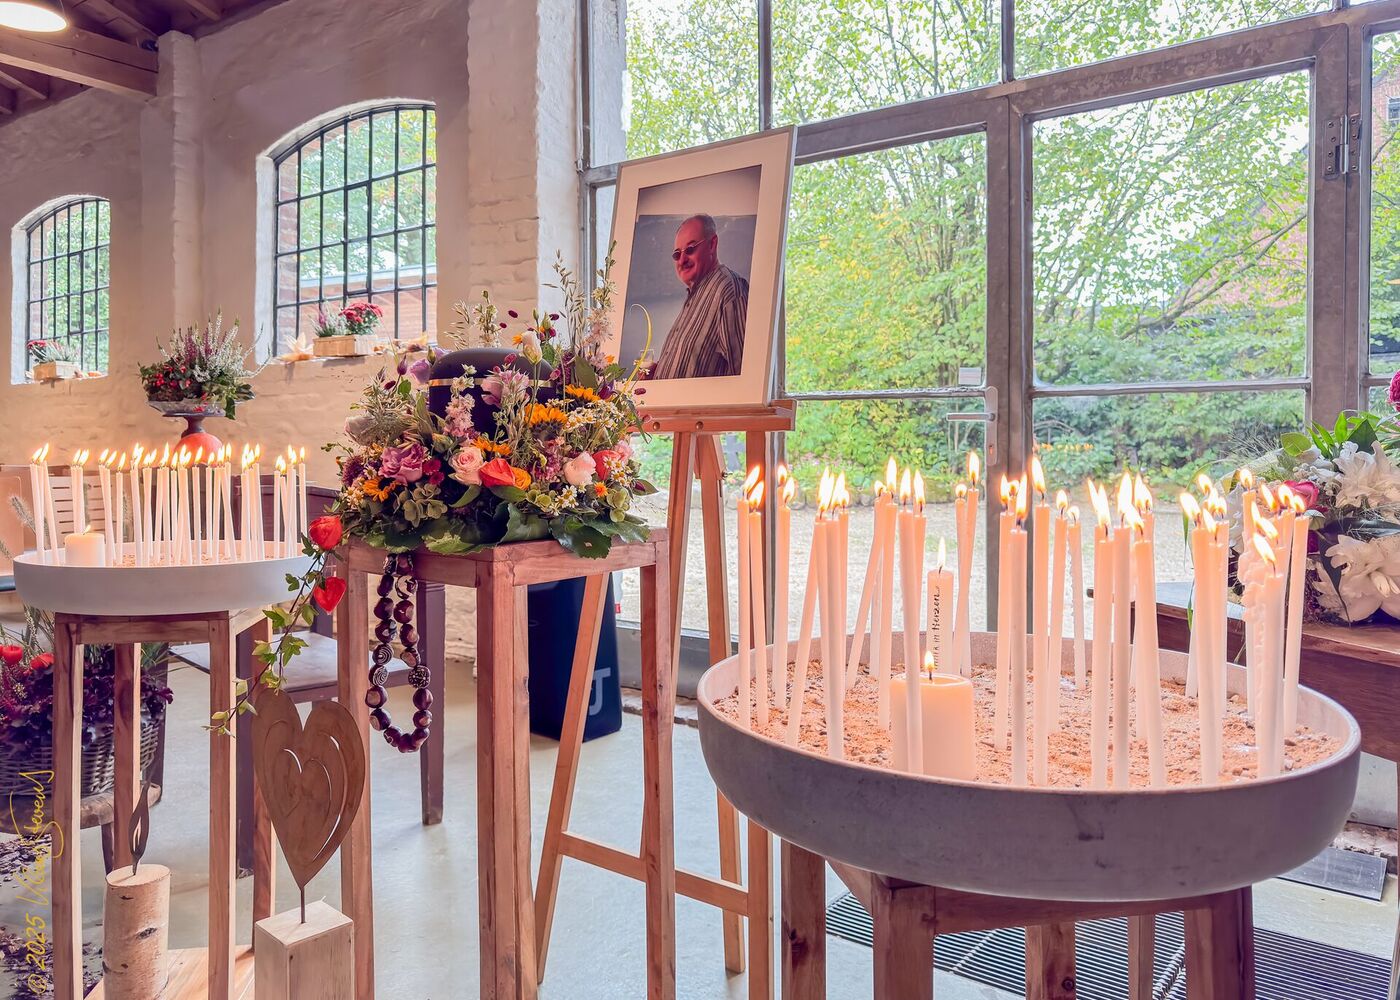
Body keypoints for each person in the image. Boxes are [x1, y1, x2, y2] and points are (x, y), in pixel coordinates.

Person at [648, 214, 749, 380]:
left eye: (690, 249)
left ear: (712, 244)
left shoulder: (729, 290)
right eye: (677, 254)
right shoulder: (696, 292)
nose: (682, 260)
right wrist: (659, 372)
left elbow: (743, 376)